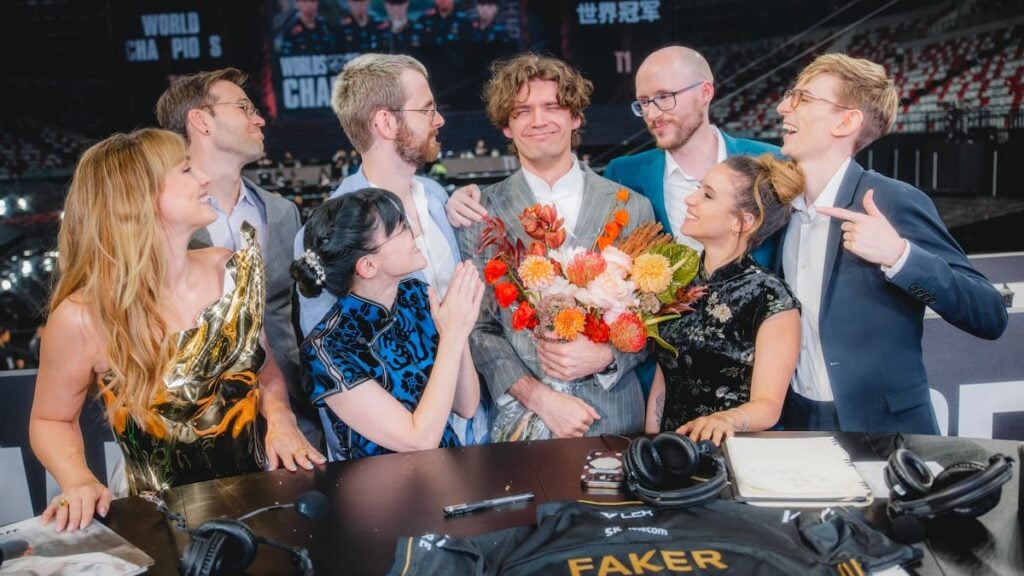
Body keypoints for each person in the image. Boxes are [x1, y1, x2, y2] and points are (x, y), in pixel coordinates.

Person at [30, 129, 323, 532]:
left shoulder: (232, 269)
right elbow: (51, 419)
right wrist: (77, 479)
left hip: (263, 496)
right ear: (138, 197)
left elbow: (264, 368)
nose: (202, 178)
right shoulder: (83, 316)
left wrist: (281, 420)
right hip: (159, 518)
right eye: (185, 170)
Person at [775, 53, 1008, 433]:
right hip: (797, 424)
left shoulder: (893, 200)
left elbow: (989, 314)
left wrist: (900, 256)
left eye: (803, 98)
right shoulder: (779, 209)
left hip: (883, 432)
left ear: (847, 121)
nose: (783, 106)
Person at [456, 54, 655, 441]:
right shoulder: (480, 212)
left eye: (552, 107)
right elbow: (479, 329)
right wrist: (539, 398)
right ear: (506, 127)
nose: (538, 120)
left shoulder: (630, 206)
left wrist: (610, 356)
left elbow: (654, 317)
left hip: (616, 418)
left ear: (575, 117)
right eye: (522, 111)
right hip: (524, 425)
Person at [294, 53, 489, 445]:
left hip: (474, 432)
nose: (439, 120)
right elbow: (340, 387)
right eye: (427, 109)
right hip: (394, 461)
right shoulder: (332, 233)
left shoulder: (436, 197)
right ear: (385, 122)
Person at [155, 68, 320, 449]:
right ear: (201, 120)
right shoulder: (159, 217)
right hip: (196, 428)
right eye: (244, 107)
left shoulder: (281, 212)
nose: (258, 118)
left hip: (292, 416)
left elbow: (295, 313)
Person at [294, 188, 482, 460]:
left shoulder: (415, 295)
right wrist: (452, 336)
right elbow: (419, 439)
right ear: (368, 265)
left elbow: (467, 405)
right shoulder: (328, 350)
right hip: (387, 494)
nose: (415, 232)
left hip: (451, 470)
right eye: (402, 227)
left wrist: (457, 330)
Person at [646, 155, 802, 445]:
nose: (691, 200)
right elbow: (663, 375)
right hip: (670, 454)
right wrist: (650, 446)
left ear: (743, 222)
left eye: (707, 195)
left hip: (729, 456)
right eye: (698, 189)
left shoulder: (770, 298)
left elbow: (768, 406)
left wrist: (727, 419)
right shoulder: (678, 283)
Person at [604, 46, 780, 265]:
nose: (652, 114)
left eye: (665, 97)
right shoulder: (623, 174)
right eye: (644, 101)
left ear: (705, 92)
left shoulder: (771, 161)